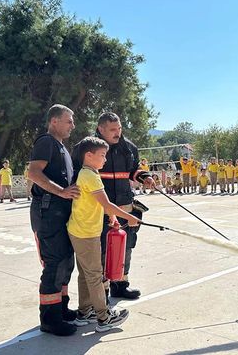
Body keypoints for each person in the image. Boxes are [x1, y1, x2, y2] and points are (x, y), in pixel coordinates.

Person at [68, 137, 139, 332]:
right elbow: (107, 203)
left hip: (81, 230)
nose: (105, 160)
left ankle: (85, 312)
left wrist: (113, 218)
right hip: (86, 232)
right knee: (94, 275)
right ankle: (104, 317)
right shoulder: (90, 176)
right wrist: (128, 217)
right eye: (102, 156)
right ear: (88, 156)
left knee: (85, 274)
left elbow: (100, 203)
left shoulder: (88, 173)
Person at [28, 104, 80, 336]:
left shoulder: (62, 148)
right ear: (54, 121)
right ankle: (49, 319)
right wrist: (61, 191)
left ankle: (61, 308)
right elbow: (33, 173)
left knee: (66, 261)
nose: (72, 125)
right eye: (68, 121)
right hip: (48, 212)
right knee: (55, 263)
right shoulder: (46, 142)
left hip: (61, 212)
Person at [95, 112, 154, 301]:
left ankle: (120, 285)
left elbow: (134, 170)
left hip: (125, 206)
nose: (117, 133)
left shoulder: (129, 148)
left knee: (125, 246)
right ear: (100, 129)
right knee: (102, 249)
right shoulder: (89, 148)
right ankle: (101, 291)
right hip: (100, 209)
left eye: (119, 128)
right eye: (112, 130)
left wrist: (145, 177)